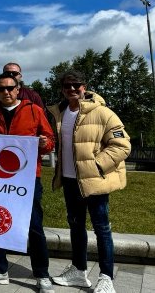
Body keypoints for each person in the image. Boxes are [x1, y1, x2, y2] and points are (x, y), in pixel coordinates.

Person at [49, 70, 130, 293]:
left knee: (102, 229)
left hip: (94, 181)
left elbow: (122, 145)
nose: (72, 89)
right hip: (69, 180)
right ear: (62, 89)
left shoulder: (103, 113)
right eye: (67, 86)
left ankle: (106, 277)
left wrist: (97, 165)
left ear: (85, 86)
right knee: (76, 227)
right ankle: (79, 270)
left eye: (77, 85)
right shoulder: (60, 113)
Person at [0, 72, 55, 292]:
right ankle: (0, 269)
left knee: (34, 226)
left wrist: (43, 143)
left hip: (28, 178)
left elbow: (50, 141)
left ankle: (42, 274)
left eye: (10, 88)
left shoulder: (33, 110)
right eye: (1, 89)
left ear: (18, 89)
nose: (6, 92)